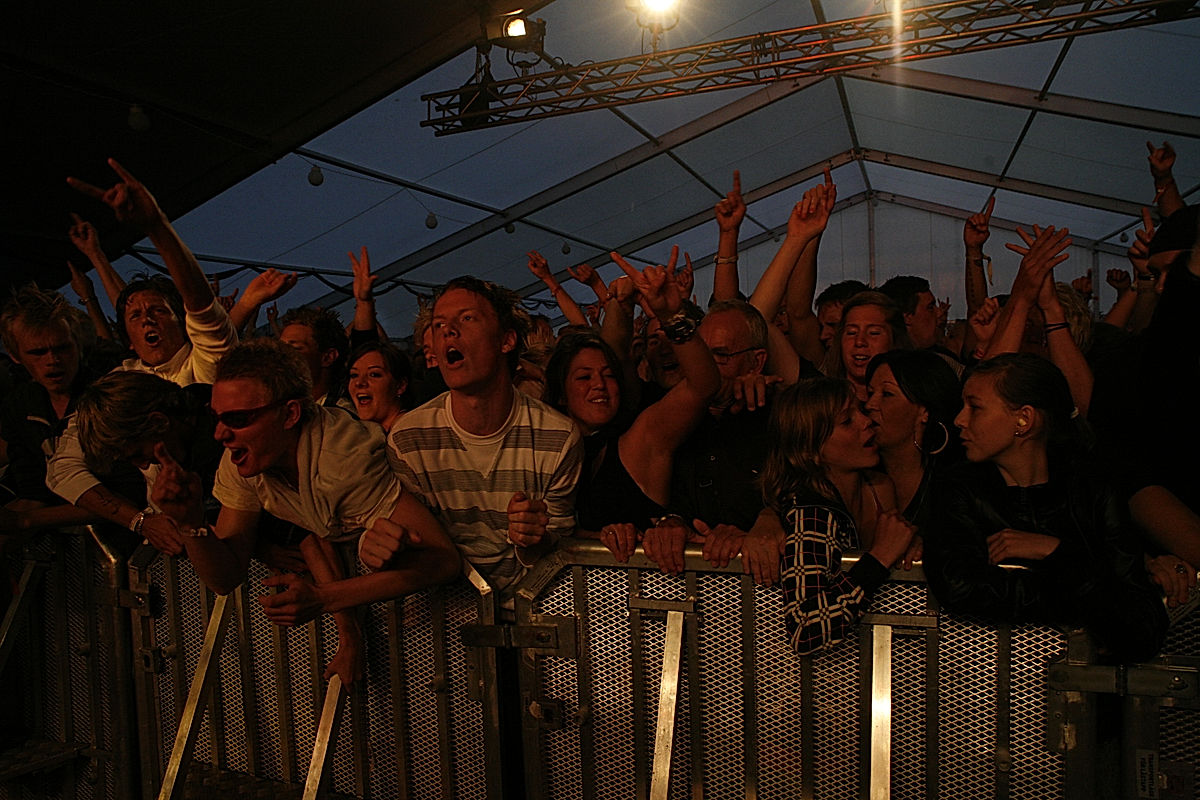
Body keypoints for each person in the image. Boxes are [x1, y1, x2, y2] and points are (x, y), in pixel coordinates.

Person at [149, 339, 461, 683]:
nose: (221, 434)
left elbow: (443, 560)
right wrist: (191, 523)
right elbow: (225, 577)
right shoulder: (243, 461)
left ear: (290, 414)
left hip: (454, 613)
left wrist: (324, 598)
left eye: (237, 419)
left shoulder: (342, 462)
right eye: (217, 417)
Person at [46, 159, 240, 552]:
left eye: (158, 310)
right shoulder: (116, 388)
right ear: (129, 339)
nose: (147, 318)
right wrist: (139, 520)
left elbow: (204, 309)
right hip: (171, 544)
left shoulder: (204, 364)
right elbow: (62, 469)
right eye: (135, 316)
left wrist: (156, 227)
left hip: (236, 530)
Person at [925, 354, 1167, 662]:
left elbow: (1142, 627)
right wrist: (1086, 595)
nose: (959, 419)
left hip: (1079, 698)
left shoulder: (1094, 491)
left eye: (975, 407)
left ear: (1023, 419)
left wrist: (1052, 551)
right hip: (980, 688)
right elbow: (960, 587)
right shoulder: (958, 490)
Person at [375, 276, 583, 599]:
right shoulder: (409, 440)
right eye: (440, 323)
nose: (448, 331)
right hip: (442, 623)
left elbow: (561, 556)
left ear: (506, 340)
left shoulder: (558, 437)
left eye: (467, 318)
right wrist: (375, 543)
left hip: (529, 620)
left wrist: (535, 539)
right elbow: (411, 542)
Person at [542, 249, 719, 563]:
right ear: (560, 395)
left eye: (608, 375)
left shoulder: (638, 440)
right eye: (584, 377)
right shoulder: (542, 449)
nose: (599, 384)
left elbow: (703, 386)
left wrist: (671, 316)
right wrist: (593, 537)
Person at [761, 377, 916, 655]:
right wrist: (878, 559)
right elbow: (805, 630)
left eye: (859, 410)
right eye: (847, 421)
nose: (865, 421)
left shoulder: (878, 487)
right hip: (815, 681)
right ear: (811, 451)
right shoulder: (812, 516)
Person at [864, 349, 963, 534]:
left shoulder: (956, 488)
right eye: (870, 393)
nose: (870, 404)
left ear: (924, 411)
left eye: (887, 394)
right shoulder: (860, 478)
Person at [824, 291, 911, 403]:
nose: (859, 341)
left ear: (895, 339)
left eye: (873, 333)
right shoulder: (824, 402)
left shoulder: (911, 405)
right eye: (851, 332)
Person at [346, 341, 411, 432]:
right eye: (354, 375)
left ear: (400, 385)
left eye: (374, 374)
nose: (359, 383)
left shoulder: (409, 432)